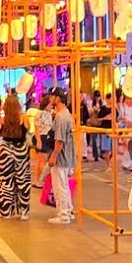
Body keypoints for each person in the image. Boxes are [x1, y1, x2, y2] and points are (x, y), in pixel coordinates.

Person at [0, 94, 32, 220]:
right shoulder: (24, 118)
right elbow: (28, 131)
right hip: (21, 151)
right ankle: (24, 212)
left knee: (6, 182)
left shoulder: (2, 119)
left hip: (5, 151)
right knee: (23, 181)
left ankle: (5, 211)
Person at [47, 92, 77, 224]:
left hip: (61, 157)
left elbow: (59, 140)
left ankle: (63, 215)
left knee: (59, 186)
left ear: (57, 98)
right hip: (68, 156)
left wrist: (53, 156)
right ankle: (68, 211)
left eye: (52, 96)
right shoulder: (67, 114)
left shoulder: (60, 117)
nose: (50, 99)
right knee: (64, 185)